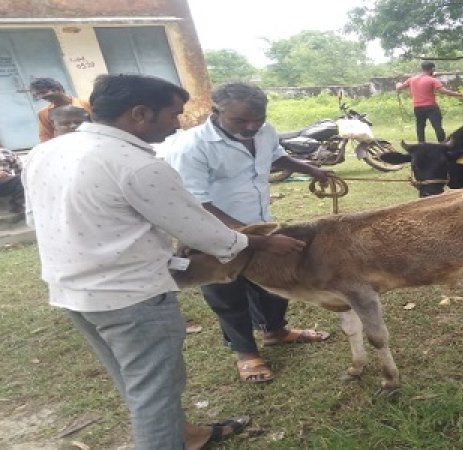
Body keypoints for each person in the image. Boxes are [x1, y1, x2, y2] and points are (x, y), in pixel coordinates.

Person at [22, 74, 307, 449]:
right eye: (173, 114)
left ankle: (185, 434)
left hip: (72, 291)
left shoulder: (45, 151)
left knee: (134, 380)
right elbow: (199, 230)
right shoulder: (137, 164)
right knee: (154, 391)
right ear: (140, 114)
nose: (178, 123)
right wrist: (258, 243)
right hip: (131, 297)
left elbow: (33, 219)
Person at [162, 82, 331, 384]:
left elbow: (276, 157)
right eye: (241, 120)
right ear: (216, 112)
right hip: (212, 232)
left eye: (258, 118)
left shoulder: (264, 132)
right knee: (227, 293)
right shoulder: (193, 147)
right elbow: (197, 202)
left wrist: (312, 169)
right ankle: (245, 354)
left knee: (274, 281)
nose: (252, 126)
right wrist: (249, 238)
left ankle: (275, 331)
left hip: (260, 222)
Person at [396, 61, 463, 142]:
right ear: (432, 69)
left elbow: (399, 88)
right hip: (431, 107)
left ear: (422, 68)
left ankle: (421, 144)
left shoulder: (411, 79)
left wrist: (398, 84)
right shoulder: (433, 80)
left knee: (420, 127)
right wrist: (462, 95)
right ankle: (442, 144)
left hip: (418, 107)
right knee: (437, 127)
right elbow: (445, 92)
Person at [29, 78, 92, 142]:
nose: (42, 96)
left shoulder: (87, 104)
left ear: (58, 89)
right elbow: (45, 137)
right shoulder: (44, 113)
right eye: (38, 94)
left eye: (43, 92)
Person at [0, 146, 24, 214]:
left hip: (6, 183)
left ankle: (17, 208)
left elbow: (21, 172)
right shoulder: (7, 152)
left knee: (20, 179)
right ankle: (17, 208)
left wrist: (8, 176)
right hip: (6, 184)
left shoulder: (7, 152)